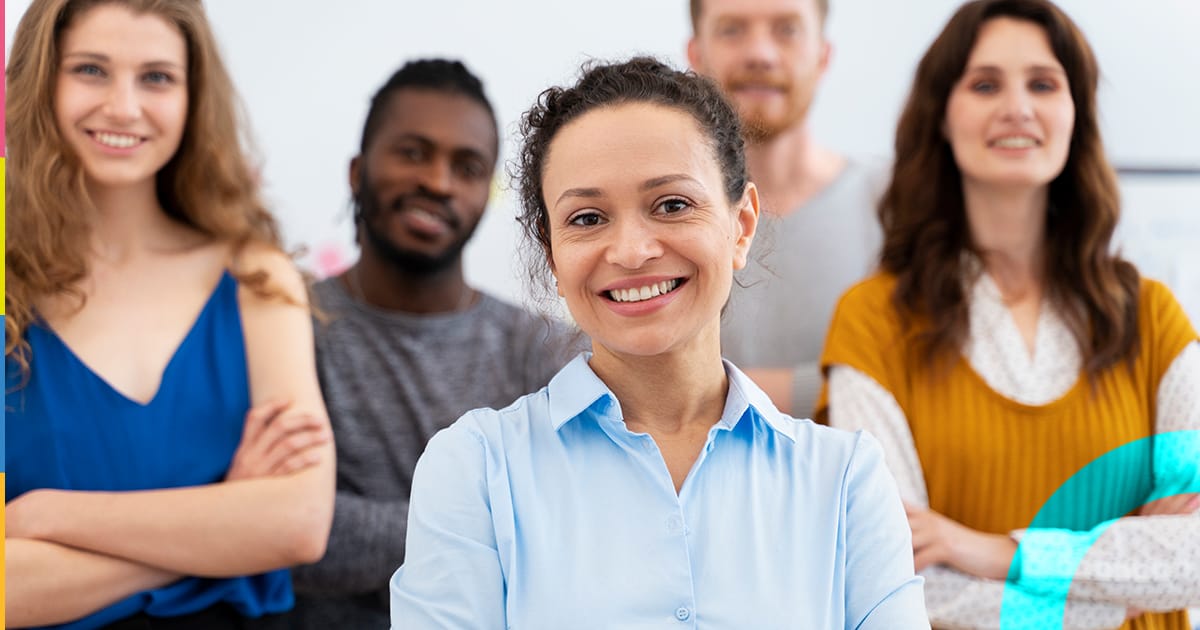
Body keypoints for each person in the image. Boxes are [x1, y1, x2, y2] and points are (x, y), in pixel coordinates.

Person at [389, 57, 928, 628]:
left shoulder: (847, 480)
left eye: (672, 205)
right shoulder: (474, 470)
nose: (630, 251)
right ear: (552, 254)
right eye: (588, 217)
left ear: (741, 226)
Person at [817, 1, 1200, 628]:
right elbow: (896, 574)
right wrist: (1124, 595)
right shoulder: (873, 323)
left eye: (1044, 84)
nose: (1017, 107)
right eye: (986, 84)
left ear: (1075, 113)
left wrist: (998, 550)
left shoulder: (1154, 319)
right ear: (942, 114)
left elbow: (1196, 557)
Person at [4, 0, 335, 628]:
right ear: (40, 78)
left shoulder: (255, 278)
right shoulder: (6, 287)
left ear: (192, 96)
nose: (124, 107)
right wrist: (225, 522)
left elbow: (298, 525)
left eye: (156, 77)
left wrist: (45, 514)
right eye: (91, 70)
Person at [288, 59, 579, 629]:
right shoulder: (288, 327)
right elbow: (284, 534)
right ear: (357, 170)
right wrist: (490, 520)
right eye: (413, 152)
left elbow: (580, 522)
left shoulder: (542, 349)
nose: (439, 182)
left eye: (466, 167)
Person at [687, 0, 884, 416]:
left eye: (787, 30)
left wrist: (702, 396)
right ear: (695, 55)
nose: (760, 53)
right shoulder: (659, 219)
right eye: (732, 29)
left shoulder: (895, 203)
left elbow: (922, 381)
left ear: (823, 55)